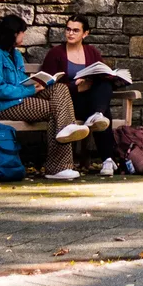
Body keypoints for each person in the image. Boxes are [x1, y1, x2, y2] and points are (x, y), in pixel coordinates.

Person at [0, 14, 91, 180]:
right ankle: (58, 168)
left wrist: (42, 83)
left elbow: (20, 82)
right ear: (13, 33)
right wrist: (30, 91)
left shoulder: (15, 55)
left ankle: (65, 133)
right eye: (22, 32)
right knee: (56, 111)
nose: (24, 35)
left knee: (60, 88)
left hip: (18, 100)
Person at [40, 15, 122, 176]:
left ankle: (97, 115)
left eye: (76, 30)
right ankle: (108, 159)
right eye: (68, 29)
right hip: (67, 104)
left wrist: (102, 77)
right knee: (103, 113)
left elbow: (104, 74)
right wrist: (75, 86)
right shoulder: (55, 53)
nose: (70, 33)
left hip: (89, 102)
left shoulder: (91, 52)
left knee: (104, 85)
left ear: (85, 34)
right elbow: (48, 85)